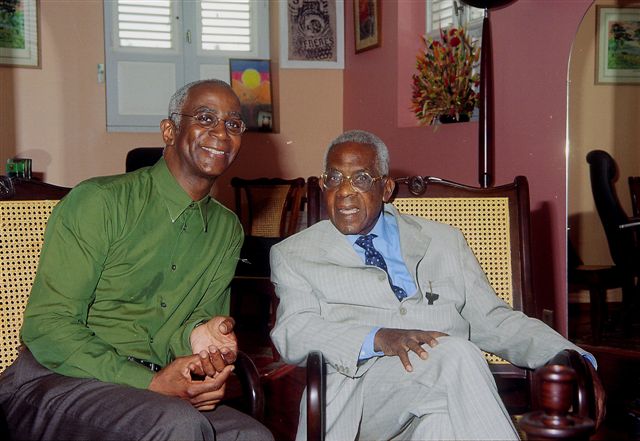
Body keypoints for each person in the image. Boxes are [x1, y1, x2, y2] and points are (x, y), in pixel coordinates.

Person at [270, 129, 604, 441]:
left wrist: (574, 357)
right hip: (360, 405)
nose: (344, 191)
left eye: (360, 178)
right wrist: (378, 337)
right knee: (454, 354)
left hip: (439, 396)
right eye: (334, 178)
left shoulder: (444, 241)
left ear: (385, 189)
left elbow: (494, 320)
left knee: (442, 424)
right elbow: (294, 331)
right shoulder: (295, 254)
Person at [0, 79, 273, 441]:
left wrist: (201, 347)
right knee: (178, 424)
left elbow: (193, 328)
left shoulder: (226, 230)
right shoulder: (100, 202)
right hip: (54, 382)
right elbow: (48, 326)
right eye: (205, 117)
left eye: (234, 124)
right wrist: (152, 382)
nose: (221, 132)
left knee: (251, 436)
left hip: (146, 392)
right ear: (170, 130)